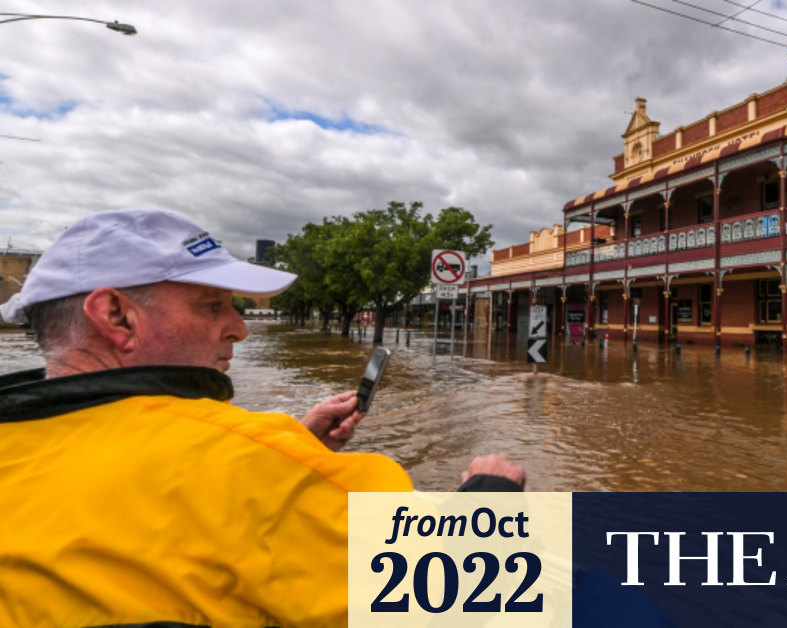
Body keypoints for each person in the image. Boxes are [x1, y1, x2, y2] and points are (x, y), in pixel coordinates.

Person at [0, 207, 525, 627]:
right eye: (212, 305)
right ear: (116, 316)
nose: (240, 328)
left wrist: (295, 444)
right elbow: (459, 595)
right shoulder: (253, 466)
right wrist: (490, 493)